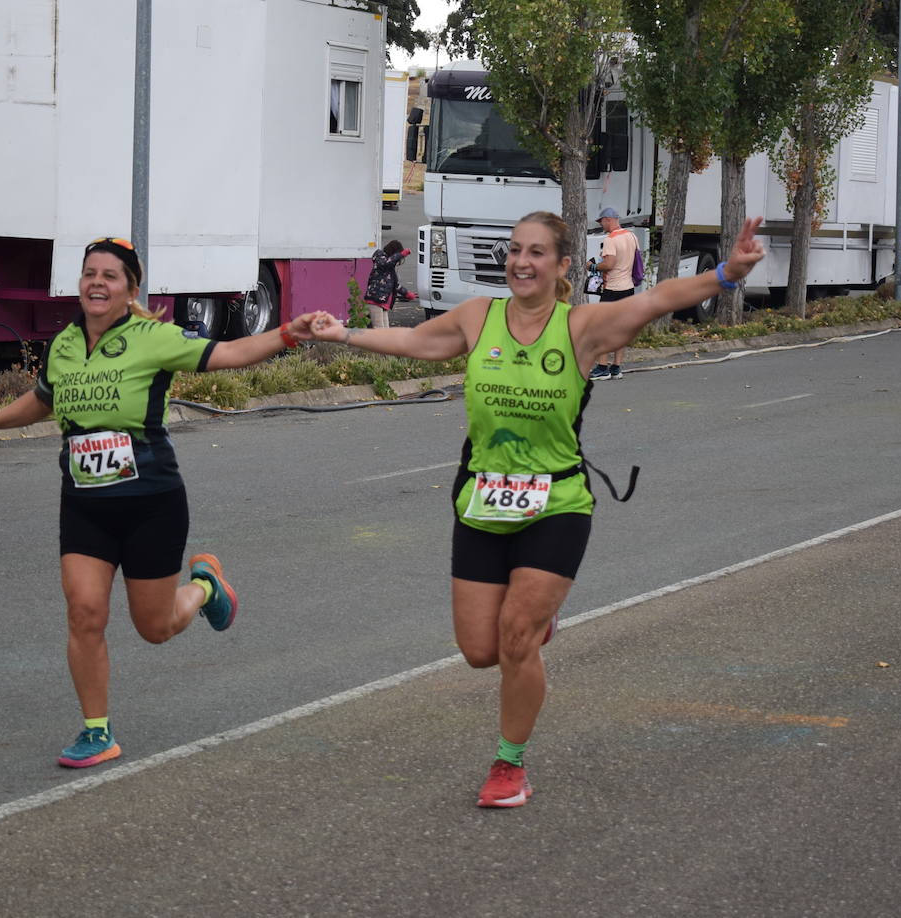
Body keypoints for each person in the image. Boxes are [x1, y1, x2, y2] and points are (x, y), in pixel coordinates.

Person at [308, 211, 765, 807]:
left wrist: (726, 274)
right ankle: (533, 620)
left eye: (537, 252)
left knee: (516, 636)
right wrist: (342, 334)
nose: (521, 262)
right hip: (482, 502)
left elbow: (656, 300)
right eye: (515, 251)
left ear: (562, 265)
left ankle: (509, 764)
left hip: (557, 503)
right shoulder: (480, 318)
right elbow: (416, 342)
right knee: (480, 650)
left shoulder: (581, 329)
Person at [0, 237, 319, 769]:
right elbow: (43, 401)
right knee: (84, 613)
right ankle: (97, 731)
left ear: (130, 290)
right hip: (84, 504)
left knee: (156, 628)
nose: (96, 283)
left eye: (109, 275)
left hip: (151, 502)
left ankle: (204, 586)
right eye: (89, 274)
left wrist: (287, 334)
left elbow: (229, 354)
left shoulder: (154, 338)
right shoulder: (63, 346)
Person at [588, 206, 640, 381]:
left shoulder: (611, 239)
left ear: (608, 220)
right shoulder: (631, 236)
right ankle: (617, 367)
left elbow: (609, 264)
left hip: (612, 289)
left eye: (601, 221)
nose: (601, 224)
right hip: (628, 288)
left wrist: (592, 266)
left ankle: (603, 367)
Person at [362, 240, 418, 329]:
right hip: (374, 300)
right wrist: (401, 254)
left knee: (385, 330)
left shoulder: (390, 268)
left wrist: (406, 293)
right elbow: (385, 263)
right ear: (393, 253)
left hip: (383, 302)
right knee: (379, 330)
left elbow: (395, 285)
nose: (398, 261)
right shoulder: (380, 257)